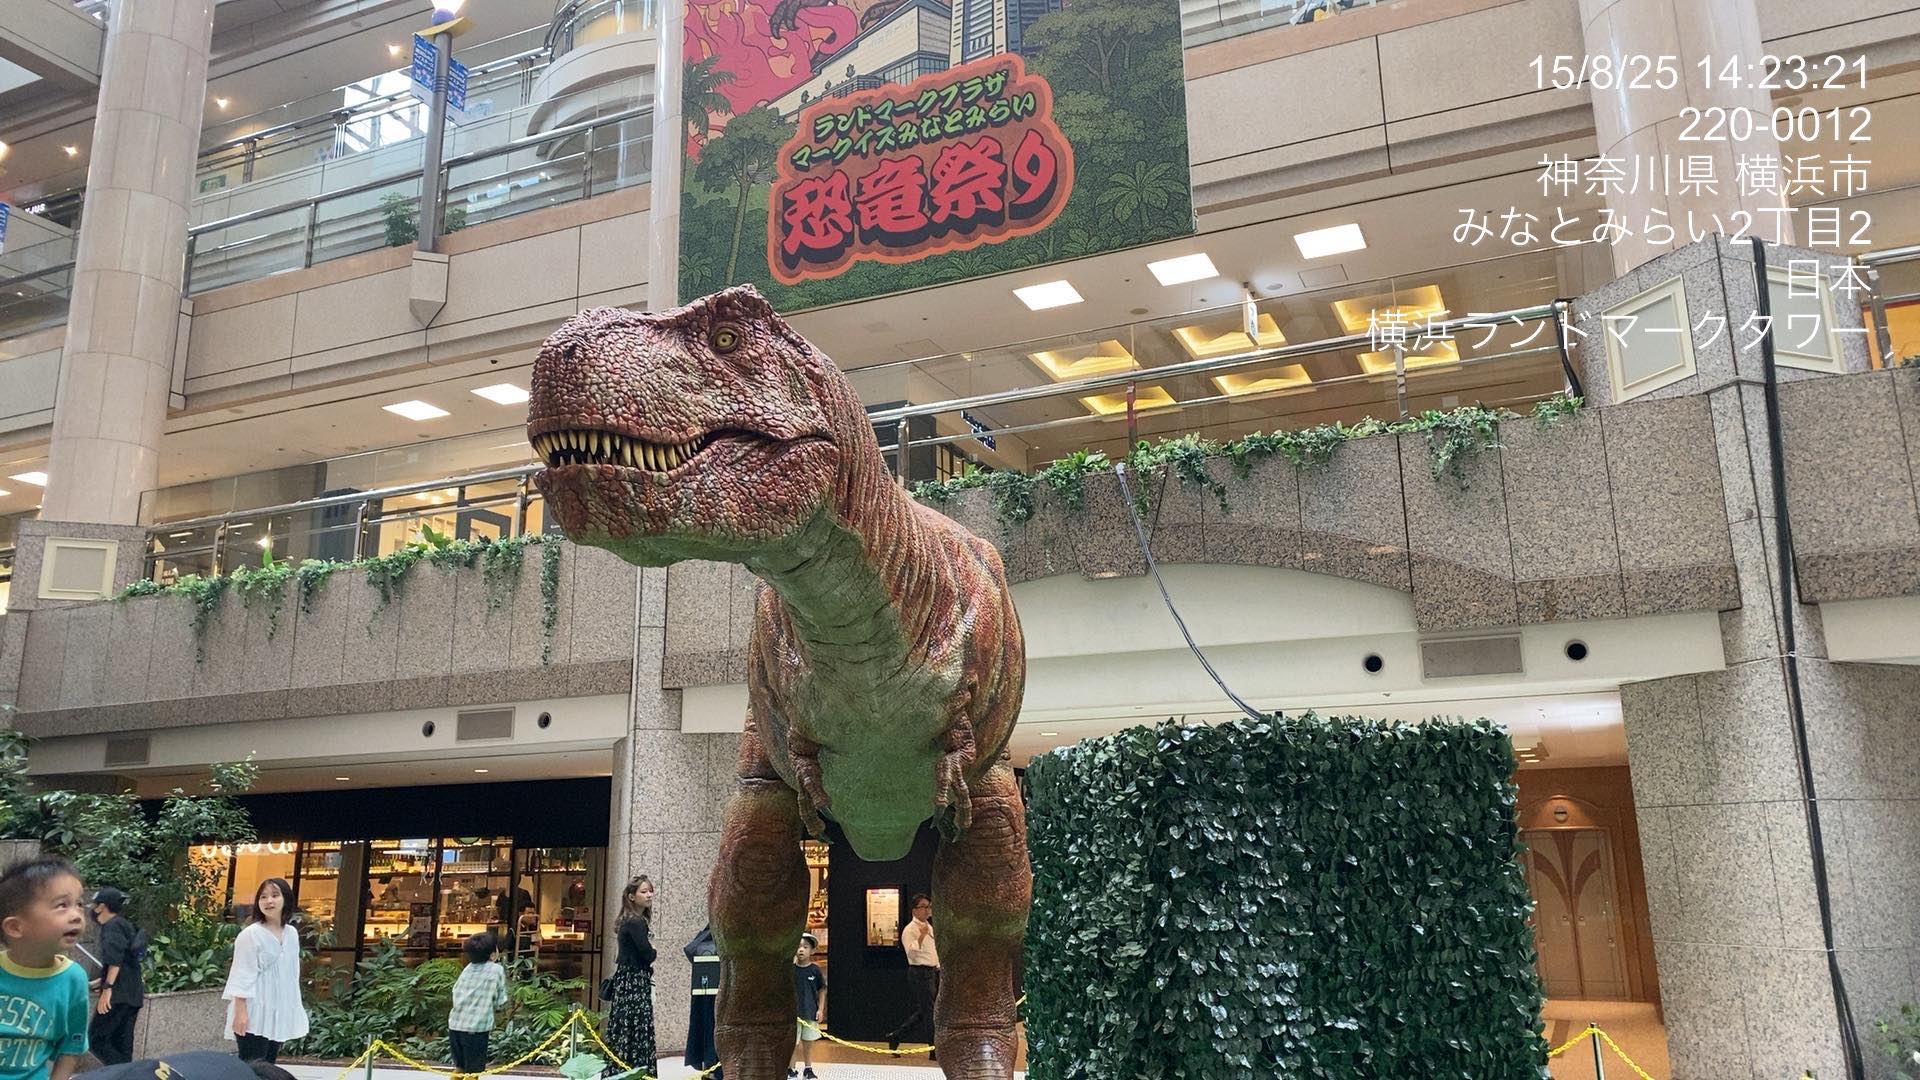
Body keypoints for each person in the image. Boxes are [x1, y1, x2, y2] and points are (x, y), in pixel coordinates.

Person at [0, 856, 90, 1080]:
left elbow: (72, 1045)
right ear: (15, 927)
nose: (77, 915)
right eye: (62, 905)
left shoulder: (73, 979)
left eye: (80, 904)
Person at [221, 878, 308, 1063]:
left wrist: (291, 1008)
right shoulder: (250, 934)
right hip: (254, 1010)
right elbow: (241, 974)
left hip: (277, 1010)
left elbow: (292, 974)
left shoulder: (291, 933)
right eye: (263, 897)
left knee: (269, 1066)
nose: (269, 901)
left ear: (286, 899)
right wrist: (240, 1012)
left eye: (275, 895)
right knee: (252, 1064)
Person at [603, 877, 656, 1075]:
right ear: (632, 896)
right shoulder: (635, 922)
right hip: (634, 982)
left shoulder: (631, 920)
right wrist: (654, 951)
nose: (649, 895)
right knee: (636, 1028)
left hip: (628, 981)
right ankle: (636, 1072)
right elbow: (647, 954)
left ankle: (622, 1071)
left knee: (625, 1029)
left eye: (650, 891)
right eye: (644, 891)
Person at [87, 887, 145, 1066]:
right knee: (122, 1043)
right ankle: (126, 1073)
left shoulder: (111, 926)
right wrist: (100, 981)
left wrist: (107, 989)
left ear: (102, 907)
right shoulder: (125, 924)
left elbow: (115, 961)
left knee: (96, 1039)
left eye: (95, 905)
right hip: (132, 994)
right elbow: (126, 962)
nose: (93, 909)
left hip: (117, 995)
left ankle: (120, 1071)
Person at [885, 894, 938, 1058]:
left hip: (932, 972)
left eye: (928, 906)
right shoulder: (910, 930)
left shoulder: (929, 927)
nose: (927, 910)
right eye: (923, 907)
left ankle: (896, 1036)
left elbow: (932, 951)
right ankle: (933, 1050)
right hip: (919, 972)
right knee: (929, 1012)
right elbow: (911, 952)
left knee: (926, 1011)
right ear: (914, 911)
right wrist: (921, 936)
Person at [447, 932, 508, 1075]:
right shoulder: (496, 970)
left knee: (461, 1067)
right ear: (492, 954)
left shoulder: (468, 969)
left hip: (455, 1025)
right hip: (476, 1028)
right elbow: (501, 1000)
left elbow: (456, 991)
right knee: (474, 1071)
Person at [788, 934, 826, 1080]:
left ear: (812, 951)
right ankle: (791, 1069)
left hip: (810, 1012)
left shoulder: (815, 970)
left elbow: (822, 989)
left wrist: (820, 1009)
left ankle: (808, 1068)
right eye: (798, 946)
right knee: (793, 1043)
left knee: (808, 1042)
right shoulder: (790, 970)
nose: (801, 950)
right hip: (794, 1014)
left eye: (805, 947)